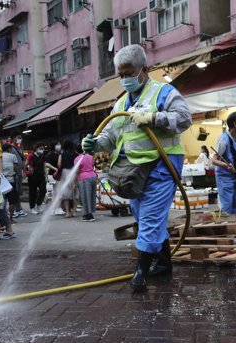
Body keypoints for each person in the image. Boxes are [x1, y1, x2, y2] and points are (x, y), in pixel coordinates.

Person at [81, 44, 191, 292]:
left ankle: (140, 273)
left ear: (145, 70)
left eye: (128, 73)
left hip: (162, 167)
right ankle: (163, 265)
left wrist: (154, 118)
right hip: (133, 171)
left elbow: (184, 119)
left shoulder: (164, 92)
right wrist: (95, 143)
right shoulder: (120, 104)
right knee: (145, 219)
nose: (124, 79)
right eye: (120, 75)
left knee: (150, 220)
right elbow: (109, 136)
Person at [211, 112, 236, 215]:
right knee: (227, 206)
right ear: (235, 124)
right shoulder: (223, 140)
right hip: (224, 177)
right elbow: (214, 160)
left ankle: (234, 226)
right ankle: (226, 227)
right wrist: (226, 165)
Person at [26, 145, 54, 214]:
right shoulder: (31, 155)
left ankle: (38, 204)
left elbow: (44, 166)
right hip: (33, 176)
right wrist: (27, 170)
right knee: (33, 192)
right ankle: (32, 207)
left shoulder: (43, 156)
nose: (42, 150)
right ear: (36, 148)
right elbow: (26, 164)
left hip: (41, 176)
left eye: (42, 149)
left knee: (43, 190)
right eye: (40, 148)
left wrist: (46, 175)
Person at [75, 145, 98, 221]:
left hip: (84, 178)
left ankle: (88, 215)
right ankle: (90, 212)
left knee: (85, 196)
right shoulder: (90, 156)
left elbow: (77, 170)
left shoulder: (77, 159)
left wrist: (75, 181)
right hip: (93, 177)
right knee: (92, 195)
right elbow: (92, 165)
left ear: (76, 151)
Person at [57, 140, 78, 218]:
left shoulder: (62, 154)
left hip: (65, 172)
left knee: (66, 194)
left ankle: (67, 212)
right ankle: (74, 212)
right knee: (75, 193)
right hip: (74, 172)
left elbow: (59, 165)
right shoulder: (76, 154)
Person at [1, 141, 21, 222]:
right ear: (9, 149)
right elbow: (15, 168)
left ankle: (2, 218)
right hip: (10, 181)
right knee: (12, 201)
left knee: (1, 201)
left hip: (1, 181)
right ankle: (11, 218)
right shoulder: (13, 156)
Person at [46, 143, 65, 215]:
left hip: (57, 175)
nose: (59, 146)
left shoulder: (59, 154)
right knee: (57, 192)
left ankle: (56, 208)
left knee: (57, 192)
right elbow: (47, 164)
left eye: (60, 144)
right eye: (57, 144)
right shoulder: (51, 154)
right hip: (53, 175)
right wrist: (55, 169)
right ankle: (56, 208)